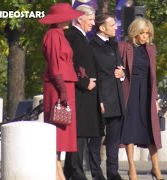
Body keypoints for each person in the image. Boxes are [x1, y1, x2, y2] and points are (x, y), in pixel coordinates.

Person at [39, 3, 84, 180]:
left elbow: (63, 62)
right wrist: (62, 89)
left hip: (65, 84)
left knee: (62, 130)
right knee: (57, 129)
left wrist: (76, 71)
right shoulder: (53, 36)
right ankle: (57, 173)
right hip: (59, 86)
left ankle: (58, 171)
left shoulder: (59, 35)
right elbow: (55, 65)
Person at [118, 18, 164, 180]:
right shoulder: (124, 47)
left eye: (147, 33)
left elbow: (153, 77)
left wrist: (156, 99)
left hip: (147, 92)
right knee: (129, 129)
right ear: (134, 33)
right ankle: (132, 168)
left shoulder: (151, 49)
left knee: (151, 130)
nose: (145, 36)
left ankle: (156, 168)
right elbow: (118, 70)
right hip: (130, 92)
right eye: (142, 33)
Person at [63, 5, 105, 180]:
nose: (93, 23)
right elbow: (68, 63)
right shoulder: (71, 35)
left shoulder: (81, 37)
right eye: (91, 19)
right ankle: (76, 172)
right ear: (80, 18)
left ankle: (71, 171)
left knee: (82, 134)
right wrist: (84, 82)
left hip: (87, 95)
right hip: (79, 93)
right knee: (78, 134)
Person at [90, 13, 126, 180]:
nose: (116, 27)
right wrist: (99, 99)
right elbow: (94, 74)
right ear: (102, 28)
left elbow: (119, 68)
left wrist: (122, 74)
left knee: (113, 140)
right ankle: (97, 174)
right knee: (96, 140)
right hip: (101, 99)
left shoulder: (114, 45)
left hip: (116, 99)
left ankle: (113, 172)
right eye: (112, 25)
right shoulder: (92, 46)